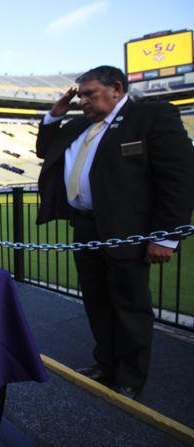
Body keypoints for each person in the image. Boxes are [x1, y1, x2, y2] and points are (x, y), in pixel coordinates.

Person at [36, 65, 194, 399]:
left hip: (128, 230)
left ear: (116, 89)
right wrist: (54, 115)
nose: (83, 102)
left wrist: (166, 236)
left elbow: (178, 179)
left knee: (129, 305)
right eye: (80, 96)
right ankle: (105, 363)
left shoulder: (151, 116)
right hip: (86, 226)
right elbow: (44, 150)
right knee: (96, 301)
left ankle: (130, 377)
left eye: (89, 94)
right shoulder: (78, 124)